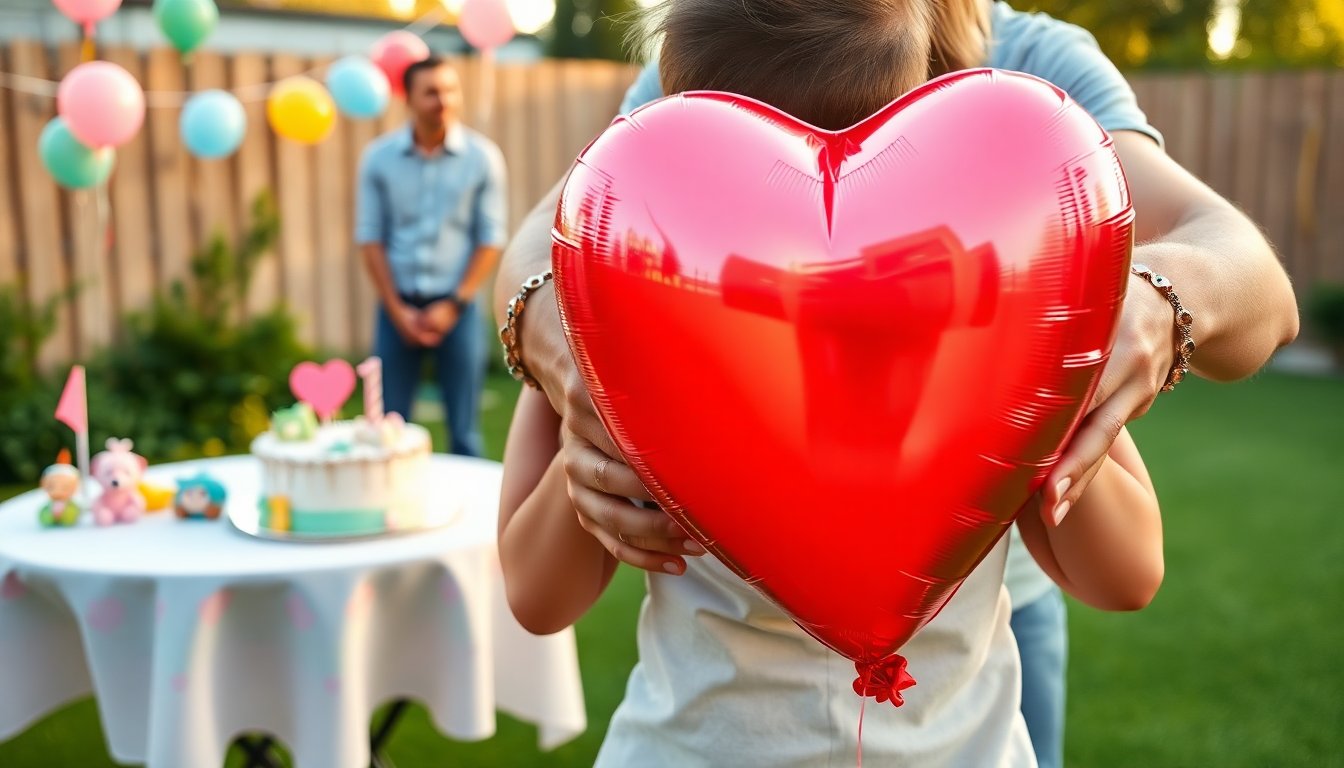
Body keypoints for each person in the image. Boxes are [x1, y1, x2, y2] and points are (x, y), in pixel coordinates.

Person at [496, 1, 1300, 765]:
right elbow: (537, 597)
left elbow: (1126, 575)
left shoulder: (992, 343)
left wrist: (1046, 422)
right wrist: (592, 447)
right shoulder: (617, 325)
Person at [355, 56, 508, 457]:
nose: (443, 100)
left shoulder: (483, 157)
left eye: (450, 89)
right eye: (431, 92)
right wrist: (395, 309)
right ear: (409, 98)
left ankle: (472, 518)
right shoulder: (378, 159)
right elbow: (370, 238)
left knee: (465, 431)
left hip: (457, 309)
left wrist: (454, 304)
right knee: (388, 430)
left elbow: (490, 238)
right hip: (396, 309)